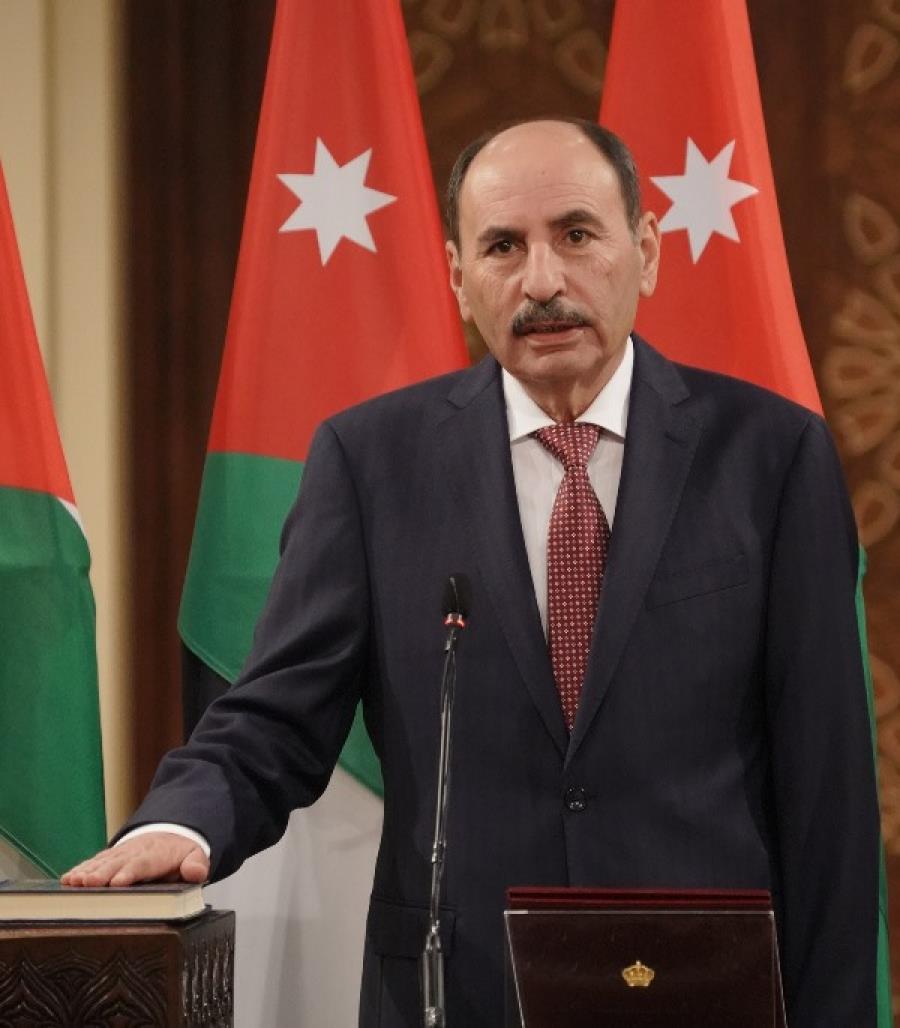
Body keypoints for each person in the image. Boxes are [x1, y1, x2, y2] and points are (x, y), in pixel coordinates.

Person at [63, 118, 880, 1026]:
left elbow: (829, 798)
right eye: (503, 247)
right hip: (454, 991)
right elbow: (275, 715)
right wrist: (179, 821)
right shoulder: (371, 463)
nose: (543, 282)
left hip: (699, 989)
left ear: (645, 251)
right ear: (458, 277)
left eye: (576, 234)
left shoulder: (772, 457)